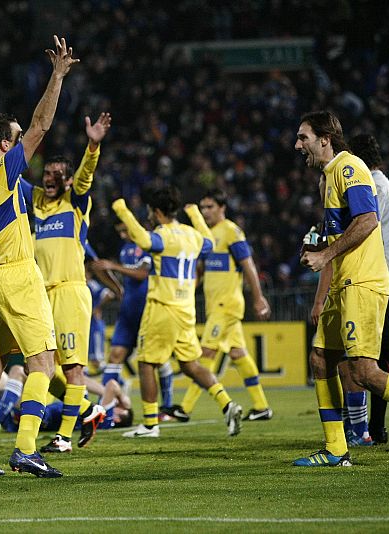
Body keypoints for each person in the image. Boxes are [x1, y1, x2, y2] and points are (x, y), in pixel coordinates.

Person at [0, 36, 78, 478]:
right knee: (42, 362)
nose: (23, 141)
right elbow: (42, 124)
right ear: (5, 147)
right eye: (17, 139)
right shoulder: (4, 173)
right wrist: (57, 77)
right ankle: (26, 448)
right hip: (19, 277)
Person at [294, 110, 389, 467]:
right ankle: (336, 450)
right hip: (343, 282)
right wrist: (316, 246)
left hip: (362, 281)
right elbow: (339, 228)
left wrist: (326, 253)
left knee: (363, 371)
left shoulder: (349, 168)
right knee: (320, 358)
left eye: (303, 138)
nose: (298, 145)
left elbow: (368, 220)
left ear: (325, 139)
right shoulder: (326, 179)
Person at [112, 185, 243, 438]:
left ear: (157, 212)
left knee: (146, 362)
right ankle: (227, 404)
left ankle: (150, 424)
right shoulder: (191, 234)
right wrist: (194, 215)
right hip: (186, 310)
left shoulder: (163, 235)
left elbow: (143, 239)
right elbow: (207, 244)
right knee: (190, 364)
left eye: (150, 212)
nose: (149, 216)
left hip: (162, 308)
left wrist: (123, 211)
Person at [17, 112, 112, 454]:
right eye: (47, 174)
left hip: (70, 291)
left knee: (72, 369)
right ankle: (88, 409)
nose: (51, 179)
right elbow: (9, 177)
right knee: (38, 366)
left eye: (58, 175)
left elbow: (86, 176)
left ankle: (63, 438)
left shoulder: (76, 202)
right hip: (42, 296)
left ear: (69, 181)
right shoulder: (38, 202)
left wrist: (93, 146)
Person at [169, 189, 273, 422]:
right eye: (203, 207)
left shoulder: (231, 232)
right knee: (238, 354)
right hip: (216, 305)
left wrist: (258, 297)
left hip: (226, 305)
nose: (205, 212)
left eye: (210, 207)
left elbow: (248, 265)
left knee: (206, 352)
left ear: (222, 208)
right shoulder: (205, 235)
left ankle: (184, 409)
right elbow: (201, 271)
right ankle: (261, 406)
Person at [348, 134, 389, 446]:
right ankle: (377, 428)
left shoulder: (371, 186)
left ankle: (374, 427)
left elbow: (363, 228)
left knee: (374, 365)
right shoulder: (385, 186)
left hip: (386, 287)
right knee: (384, 361)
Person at [91, 222, 176, 420]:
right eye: (119, 231)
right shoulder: (125, 249)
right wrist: (110, 279)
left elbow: (142, 274)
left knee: (158, 360)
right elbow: (124, 281)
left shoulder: (149, 246)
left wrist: (113, 266)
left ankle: (168, 408)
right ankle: (104, 407)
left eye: (124, 230)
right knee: (115, 356)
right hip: (128, 311)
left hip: (148, 311)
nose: (122, 235)